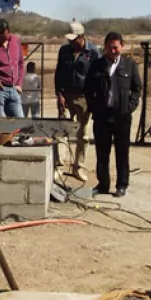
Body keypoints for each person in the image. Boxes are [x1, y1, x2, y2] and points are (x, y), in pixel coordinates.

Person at [84, 31, 142, 197]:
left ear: (121, 47)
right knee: (102, 153)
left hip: (122, 116)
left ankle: (122, 185)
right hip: (102, 116)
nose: (113, 51)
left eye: (115, 47)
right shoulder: (97, 65)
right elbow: (88, 89)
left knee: (122, 152)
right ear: (105, 48)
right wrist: (94, 107)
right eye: (109, 48)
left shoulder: (129, 65)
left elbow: (137, 88)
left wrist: (130, 106)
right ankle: (103, 184)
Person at [54, 21, 100, 181]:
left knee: (83, 135)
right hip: (65, 96)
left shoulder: (93, 52)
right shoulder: (64, 51)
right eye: (69, 39)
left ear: (81, 37)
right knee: (61, 133)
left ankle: (78, 167)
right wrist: (59, 94)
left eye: (74, 39)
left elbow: (98, 77)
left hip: (84, 98)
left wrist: (93, 99)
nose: (70, 42)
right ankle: (58, 166)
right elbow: (58, 73)